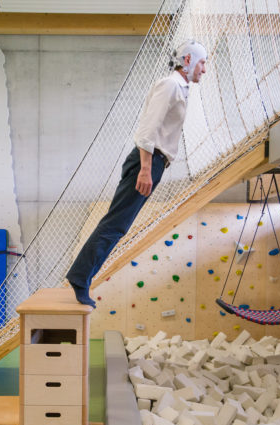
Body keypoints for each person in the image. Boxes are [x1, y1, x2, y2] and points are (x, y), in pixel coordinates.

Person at [66, 39, 207, 307]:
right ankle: (80, 278)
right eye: (202, 62)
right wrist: (145, 169)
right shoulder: (170, 85)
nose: (204, 69)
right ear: (187, 60)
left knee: (118, 225)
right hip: (147, 161)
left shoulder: (181, 88)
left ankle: (81, 277)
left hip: (153, 162)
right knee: (115, 224)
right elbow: (146, 131)